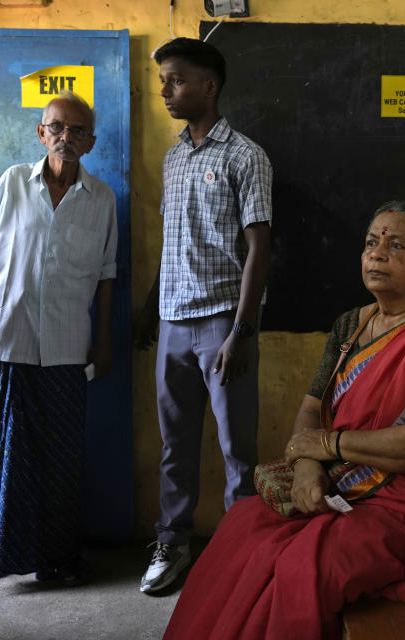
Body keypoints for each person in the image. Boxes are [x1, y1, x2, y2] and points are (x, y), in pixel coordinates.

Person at [163, 201, 405, 639]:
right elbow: (312, 408)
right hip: (341, 485)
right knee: (243, 524)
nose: (377, 253)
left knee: (306, 565)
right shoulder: (349, 326)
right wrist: (307, 468)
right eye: (371, 242)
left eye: (396, 244)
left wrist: (328, 447)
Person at [134, 37, 272, 594]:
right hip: (172, 320)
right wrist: (150, 308)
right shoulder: (172, 157)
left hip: (223, 322)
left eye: (176, 79)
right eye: (164, 80)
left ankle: (241, 552)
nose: (166, 90)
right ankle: (173, 542)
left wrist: (242, 330)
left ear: (209, 87)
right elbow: (174, 243)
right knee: (176, 443)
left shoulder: (245, 155)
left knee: (237, 447)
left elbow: (259, 248)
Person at [0, 92, 118, 586]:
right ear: (41, 133)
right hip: (9, 338)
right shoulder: (13, 182)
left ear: (92, 142)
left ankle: (58, 558)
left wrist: (104, 341)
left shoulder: (102, 199)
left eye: (78, 131)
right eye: (57, 128)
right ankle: (3, 556)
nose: (66, 138)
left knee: (61, 459)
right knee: (10, 450)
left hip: (67, 344)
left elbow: (105, 275)